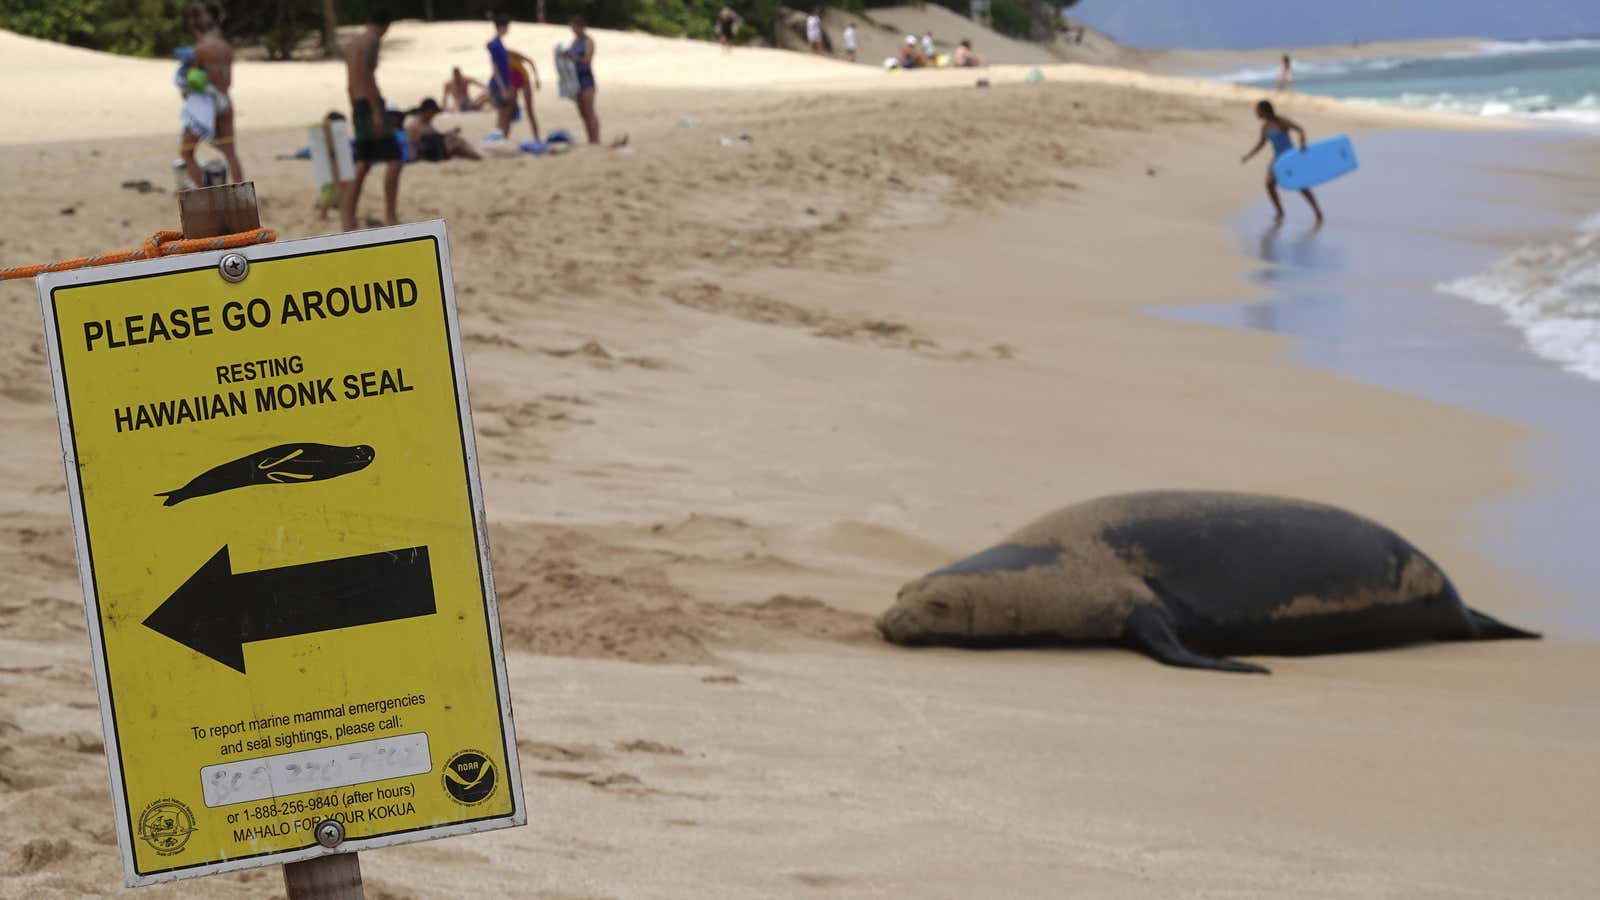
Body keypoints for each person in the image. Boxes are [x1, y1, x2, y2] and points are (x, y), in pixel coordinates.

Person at [342, 7, 402, 230]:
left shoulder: (351, 43)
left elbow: (350, 83)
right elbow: (368, 76)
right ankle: (391, 215)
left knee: (363, 162)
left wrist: (357, 107)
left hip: (357, 105)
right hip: (370, 105)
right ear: (386, 25)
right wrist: (377, 112)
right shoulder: (372, 41)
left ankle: (348, 218)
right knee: (395, 159)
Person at [178, 3, 242, 187]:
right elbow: (229, 81)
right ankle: (241, 195)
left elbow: (193, 79)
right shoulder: (226, 49)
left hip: (206, 104)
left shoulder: (201, 50)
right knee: (230, 153)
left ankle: (205, 192)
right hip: (225, 100)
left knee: (187, 152)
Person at [1241, 99, 1323, 224]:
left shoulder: (1281, 121)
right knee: (1269, 184)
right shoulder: (1265, 127)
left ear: (1264, 111)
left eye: (1257, 110)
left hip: (1290, 156)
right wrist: (1248, 156)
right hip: (1277, 158)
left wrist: (1302, 143)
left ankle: (1317, 211)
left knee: (1301, 185)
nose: (1256, 113)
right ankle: (1280, 211)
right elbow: (1261, 144)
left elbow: (1300, 129)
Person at [487, 16, 541, 140]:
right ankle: (502, 139)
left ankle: (534, 137)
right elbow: (496, 69)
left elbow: (529, 61)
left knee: (517, 112)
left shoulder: (502, 48)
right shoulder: (499, 48)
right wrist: (503, 89)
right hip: (509, 83)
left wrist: (537, 79)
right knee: (506, 114)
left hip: (519, 80)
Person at [565, 16, 604, 145]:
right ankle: (590, 139)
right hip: (576, 80)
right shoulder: (574, 41)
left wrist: (574, 57)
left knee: (590, 110)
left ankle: (596, 139)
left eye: (574, 28)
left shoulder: (588, 41)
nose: (573, 30)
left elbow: (587, 60)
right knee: (582, 112)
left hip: (587, 79)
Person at [406, 99, 481, 162]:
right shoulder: (416, 125)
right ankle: (478, 158)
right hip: (425, 154)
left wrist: (450, 133)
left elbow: (434, 136)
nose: (434, 115)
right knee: (456, 146)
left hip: (431, 150)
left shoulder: (424, 122)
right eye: (433, 113)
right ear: (428, 112)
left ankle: (477, 156)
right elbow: (421, 144)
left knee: (456, 140)